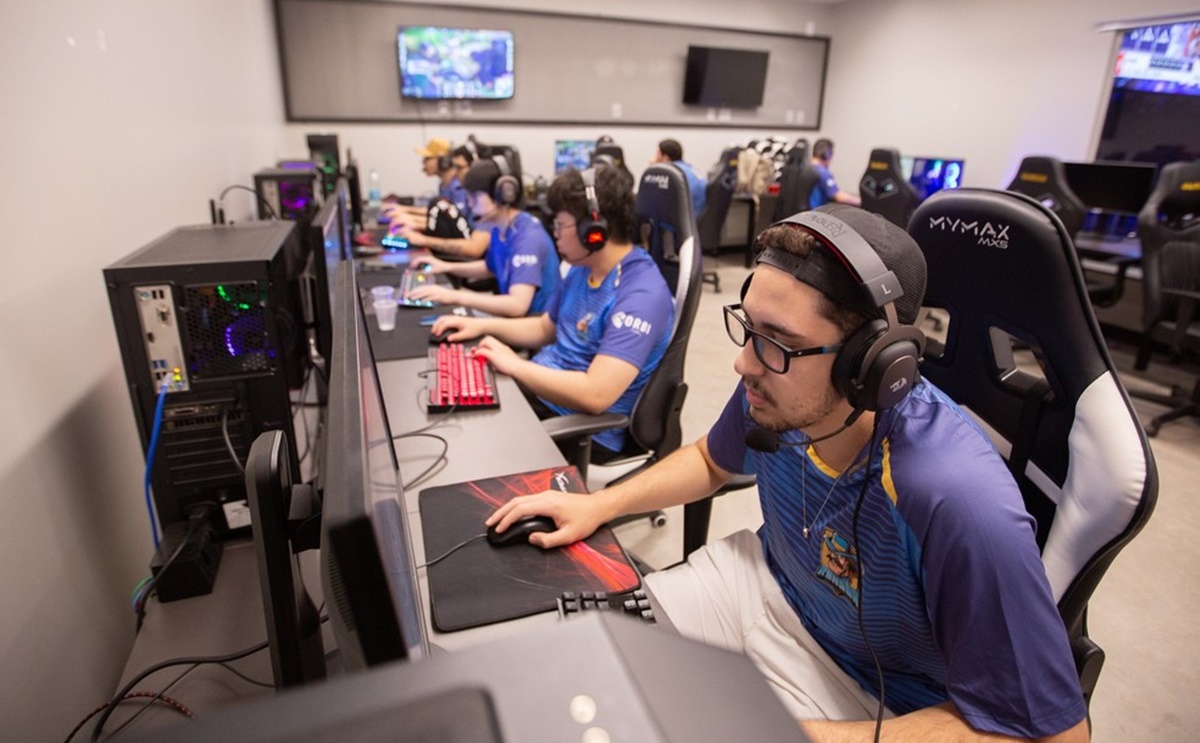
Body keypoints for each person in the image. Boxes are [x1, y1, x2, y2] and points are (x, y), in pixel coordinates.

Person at [485, 204, 1090, 742]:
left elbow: (1058, 735)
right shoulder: (776, 389)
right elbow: (708, 460)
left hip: (873, 699)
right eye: (748, 326)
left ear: (870, 366)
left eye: (776, 340)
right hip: (763, 585)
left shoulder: (956, 497)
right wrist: (601, 504)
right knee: (586, 667)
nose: (743, 361)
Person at [430, 166, 675, 459]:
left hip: (583, 430)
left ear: (593, 231)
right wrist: (482, 327)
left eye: (560, 225)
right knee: (449, 406)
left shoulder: (641, 295)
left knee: (457, 440)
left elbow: (595, 395)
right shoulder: (583, 269)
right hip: (542, 394)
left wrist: (514, 365)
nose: (554, 235)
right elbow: (546, 328)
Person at [408, 158, 561, 317]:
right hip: (515, 321)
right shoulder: (500, 228)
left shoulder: (528, 237)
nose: (470, 203)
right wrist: (445, 266)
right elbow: (491, 268)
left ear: (502, 194)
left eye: (474, 197)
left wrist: (455, 296)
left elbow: (517, 305)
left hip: (531, 327)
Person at [652, 138, 707, 218]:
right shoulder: (690, 170)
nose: (655, 157)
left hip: (681, 224)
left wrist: (653, 167)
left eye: (657, 154)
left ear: (665, 158)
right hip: (698, 222)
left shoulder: (670, 173)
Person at [809, 138, 862, 209]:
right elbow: (840, 197)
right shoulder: (822, 173)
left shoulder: (805, 168)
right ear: (827, 154)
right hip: (814, 214)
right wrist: (862, 200)